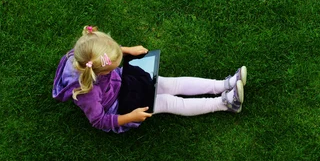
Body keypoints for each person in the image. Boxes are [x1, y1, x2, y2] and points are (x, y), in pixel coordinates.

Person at [52, 26, 247, 133]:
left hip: (121, 82)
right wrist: (131, 117)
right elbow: (99, 121)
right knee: (167, 101)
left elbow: (104, 51)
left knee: (169, 83)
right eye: (114, 63)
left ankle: (224, 84)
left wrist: (127, 50)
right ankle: (225, 103)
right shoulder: (89, 93)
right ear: (100, 72)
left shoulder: (86, 53)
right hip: (121, 106)